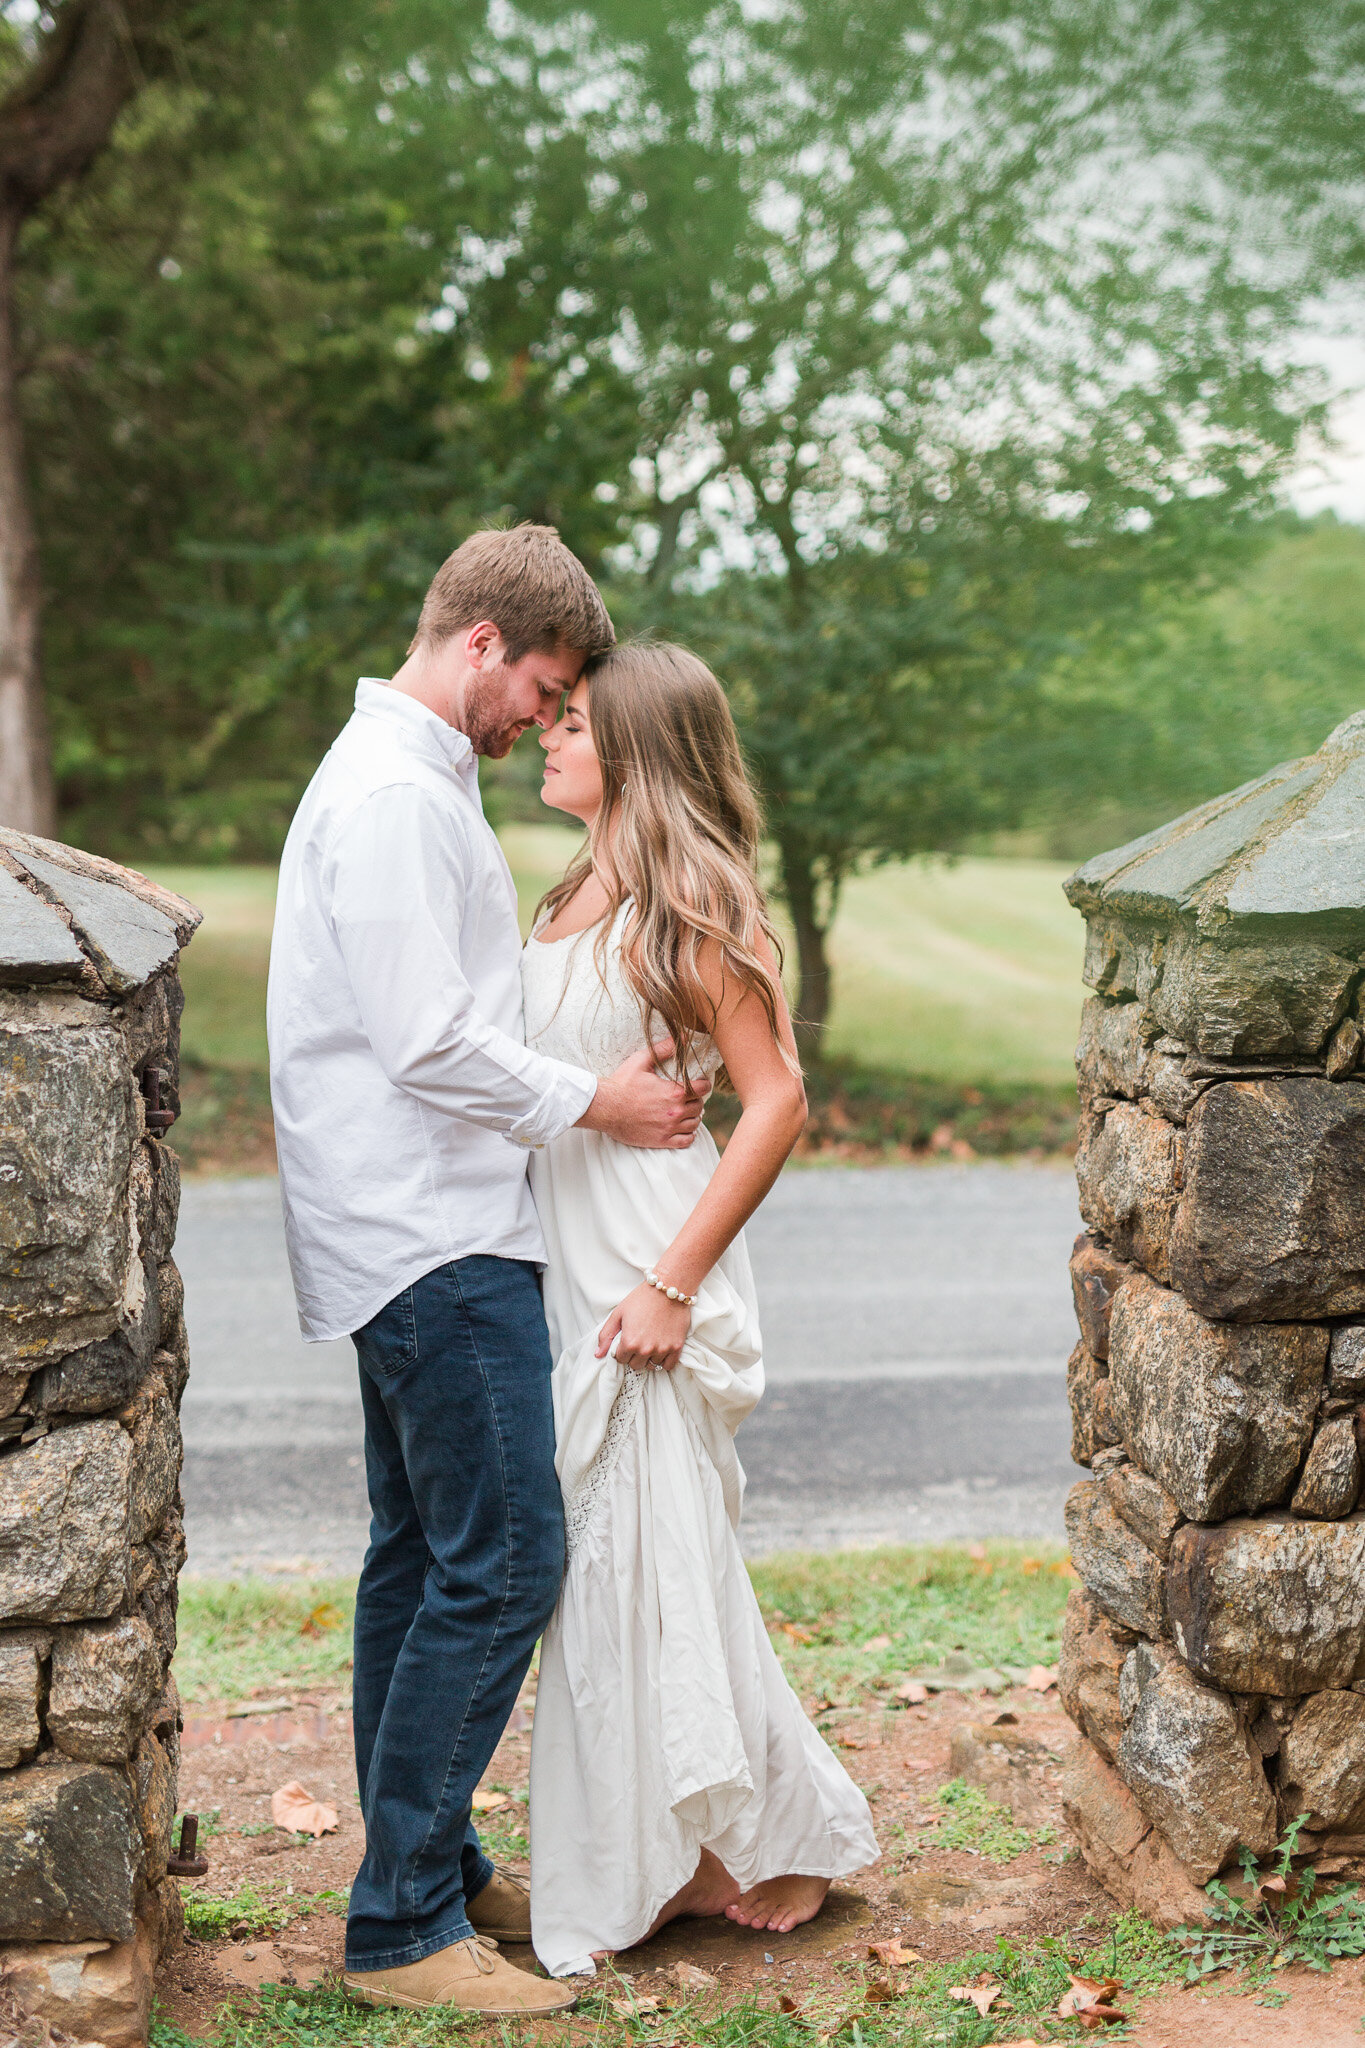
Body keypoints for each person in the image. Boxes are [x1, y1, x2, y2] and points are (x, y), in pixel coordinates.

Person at [267, 528, 707, 2018]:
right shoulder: (394, 795)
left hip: (419, 1225)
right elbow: (426, 1043)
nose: (542, 716)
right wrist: (608, 1104)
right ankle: (399, 1931)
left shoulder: (416, 777)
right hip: (430, 1235)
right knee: (509, 1554)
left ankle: (434, 1868)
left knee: (421, 1555)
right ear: (478, 645)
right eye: (543, 683)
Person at [522, 642, 878, 1977]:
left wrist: (671, 1284)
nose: (550, 739)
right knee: (610, 1568)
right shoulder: (568, 888)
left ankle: (762, 1844)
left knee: (651, 1556)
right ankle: (690, 1850)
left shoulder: (691, 901)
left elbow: (775, 1099)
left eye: (573, 724)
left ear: (633, 752)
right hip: (563, 1259)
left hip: (643, 1264)